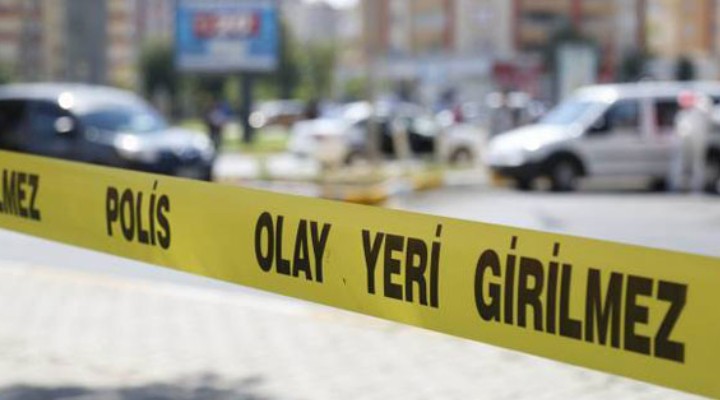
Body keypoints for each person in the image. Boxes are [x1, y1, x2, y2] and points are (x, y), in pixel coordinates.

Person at [670, 91, 712, 192]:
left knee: (697, 164)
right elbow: (679, 130)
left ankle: (697, 187)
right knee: (681, 164)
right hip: (684, 144)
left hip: (697, 143)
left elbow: (707, 116)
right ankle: (679, 186)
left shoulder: (699, 112)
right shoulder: (682, 114)